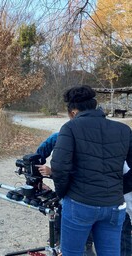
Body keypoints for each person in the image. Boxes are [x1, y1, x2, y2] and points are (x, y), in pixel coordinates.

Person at [50, 85, 132, 255]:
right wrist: (118, 188)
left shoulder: (70, 128)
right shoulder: (124, 130)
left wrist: (63, 192)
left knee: (72, 253)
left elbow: (58, 167)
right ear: (95, 106)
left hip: (80, 202)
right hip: (114, 206)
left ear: (73, 111)